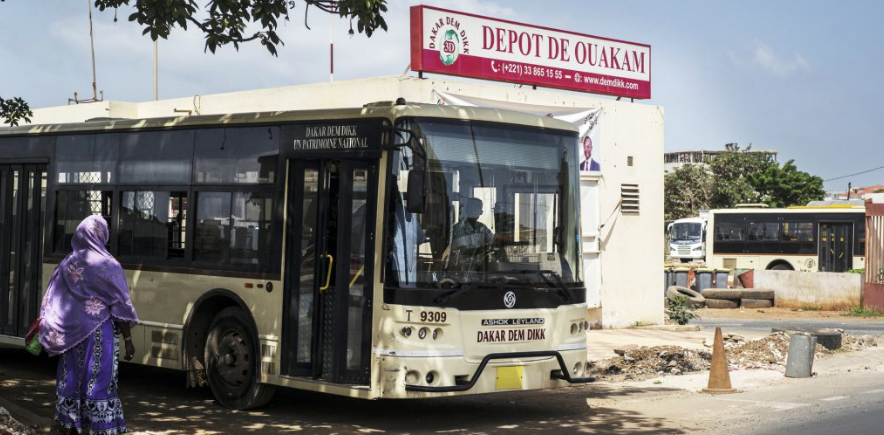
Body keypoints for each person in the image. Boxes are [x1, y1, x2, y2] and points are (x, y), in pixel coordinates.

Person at [39, 215, 139, 435]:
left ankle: (69, 424)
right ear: (102, 236)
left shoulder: (67, 263)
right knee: (99, 380)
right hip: (100, 334)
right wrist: (128, 340)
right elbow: (120, 306)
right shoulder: (109, 265)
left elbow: (51, 299)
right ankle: (100, 427)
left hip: (70, 336)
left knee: (71, 378)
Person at [450, 198, 495, 268]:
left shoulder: (483, 228)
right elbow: (453, 251)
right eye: (472, 208)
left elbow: (493, 241)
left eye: (477, 208)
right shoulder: (456, 229)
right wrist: (481, 249)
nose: (474, 211)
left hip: (482, 270)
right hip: (460, 269)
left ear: (481, 212)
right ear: (467, 209)